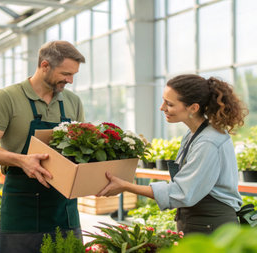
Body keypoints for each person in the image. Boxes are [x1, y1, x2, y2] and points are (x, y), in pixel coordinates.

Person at [98, 74, 248, 235]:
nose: (162, 107)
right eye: (163, 101)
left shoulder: (208, 141)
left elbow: (182, 192)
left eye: (169, 104)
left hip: (212, 226)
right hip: (200, 222)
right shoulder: (194, 134)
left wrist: (126, 186)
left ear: (193, 108)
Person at [0, 40, 86, 252]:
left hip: (64, 206)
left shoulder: (73, 102)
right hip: (22, 205)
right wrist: (22, 160)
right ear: (45, 65)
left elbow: (80, 149)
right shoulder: (7, 97)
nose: (70, 80)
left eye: (73, 74)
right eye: (65, 73)